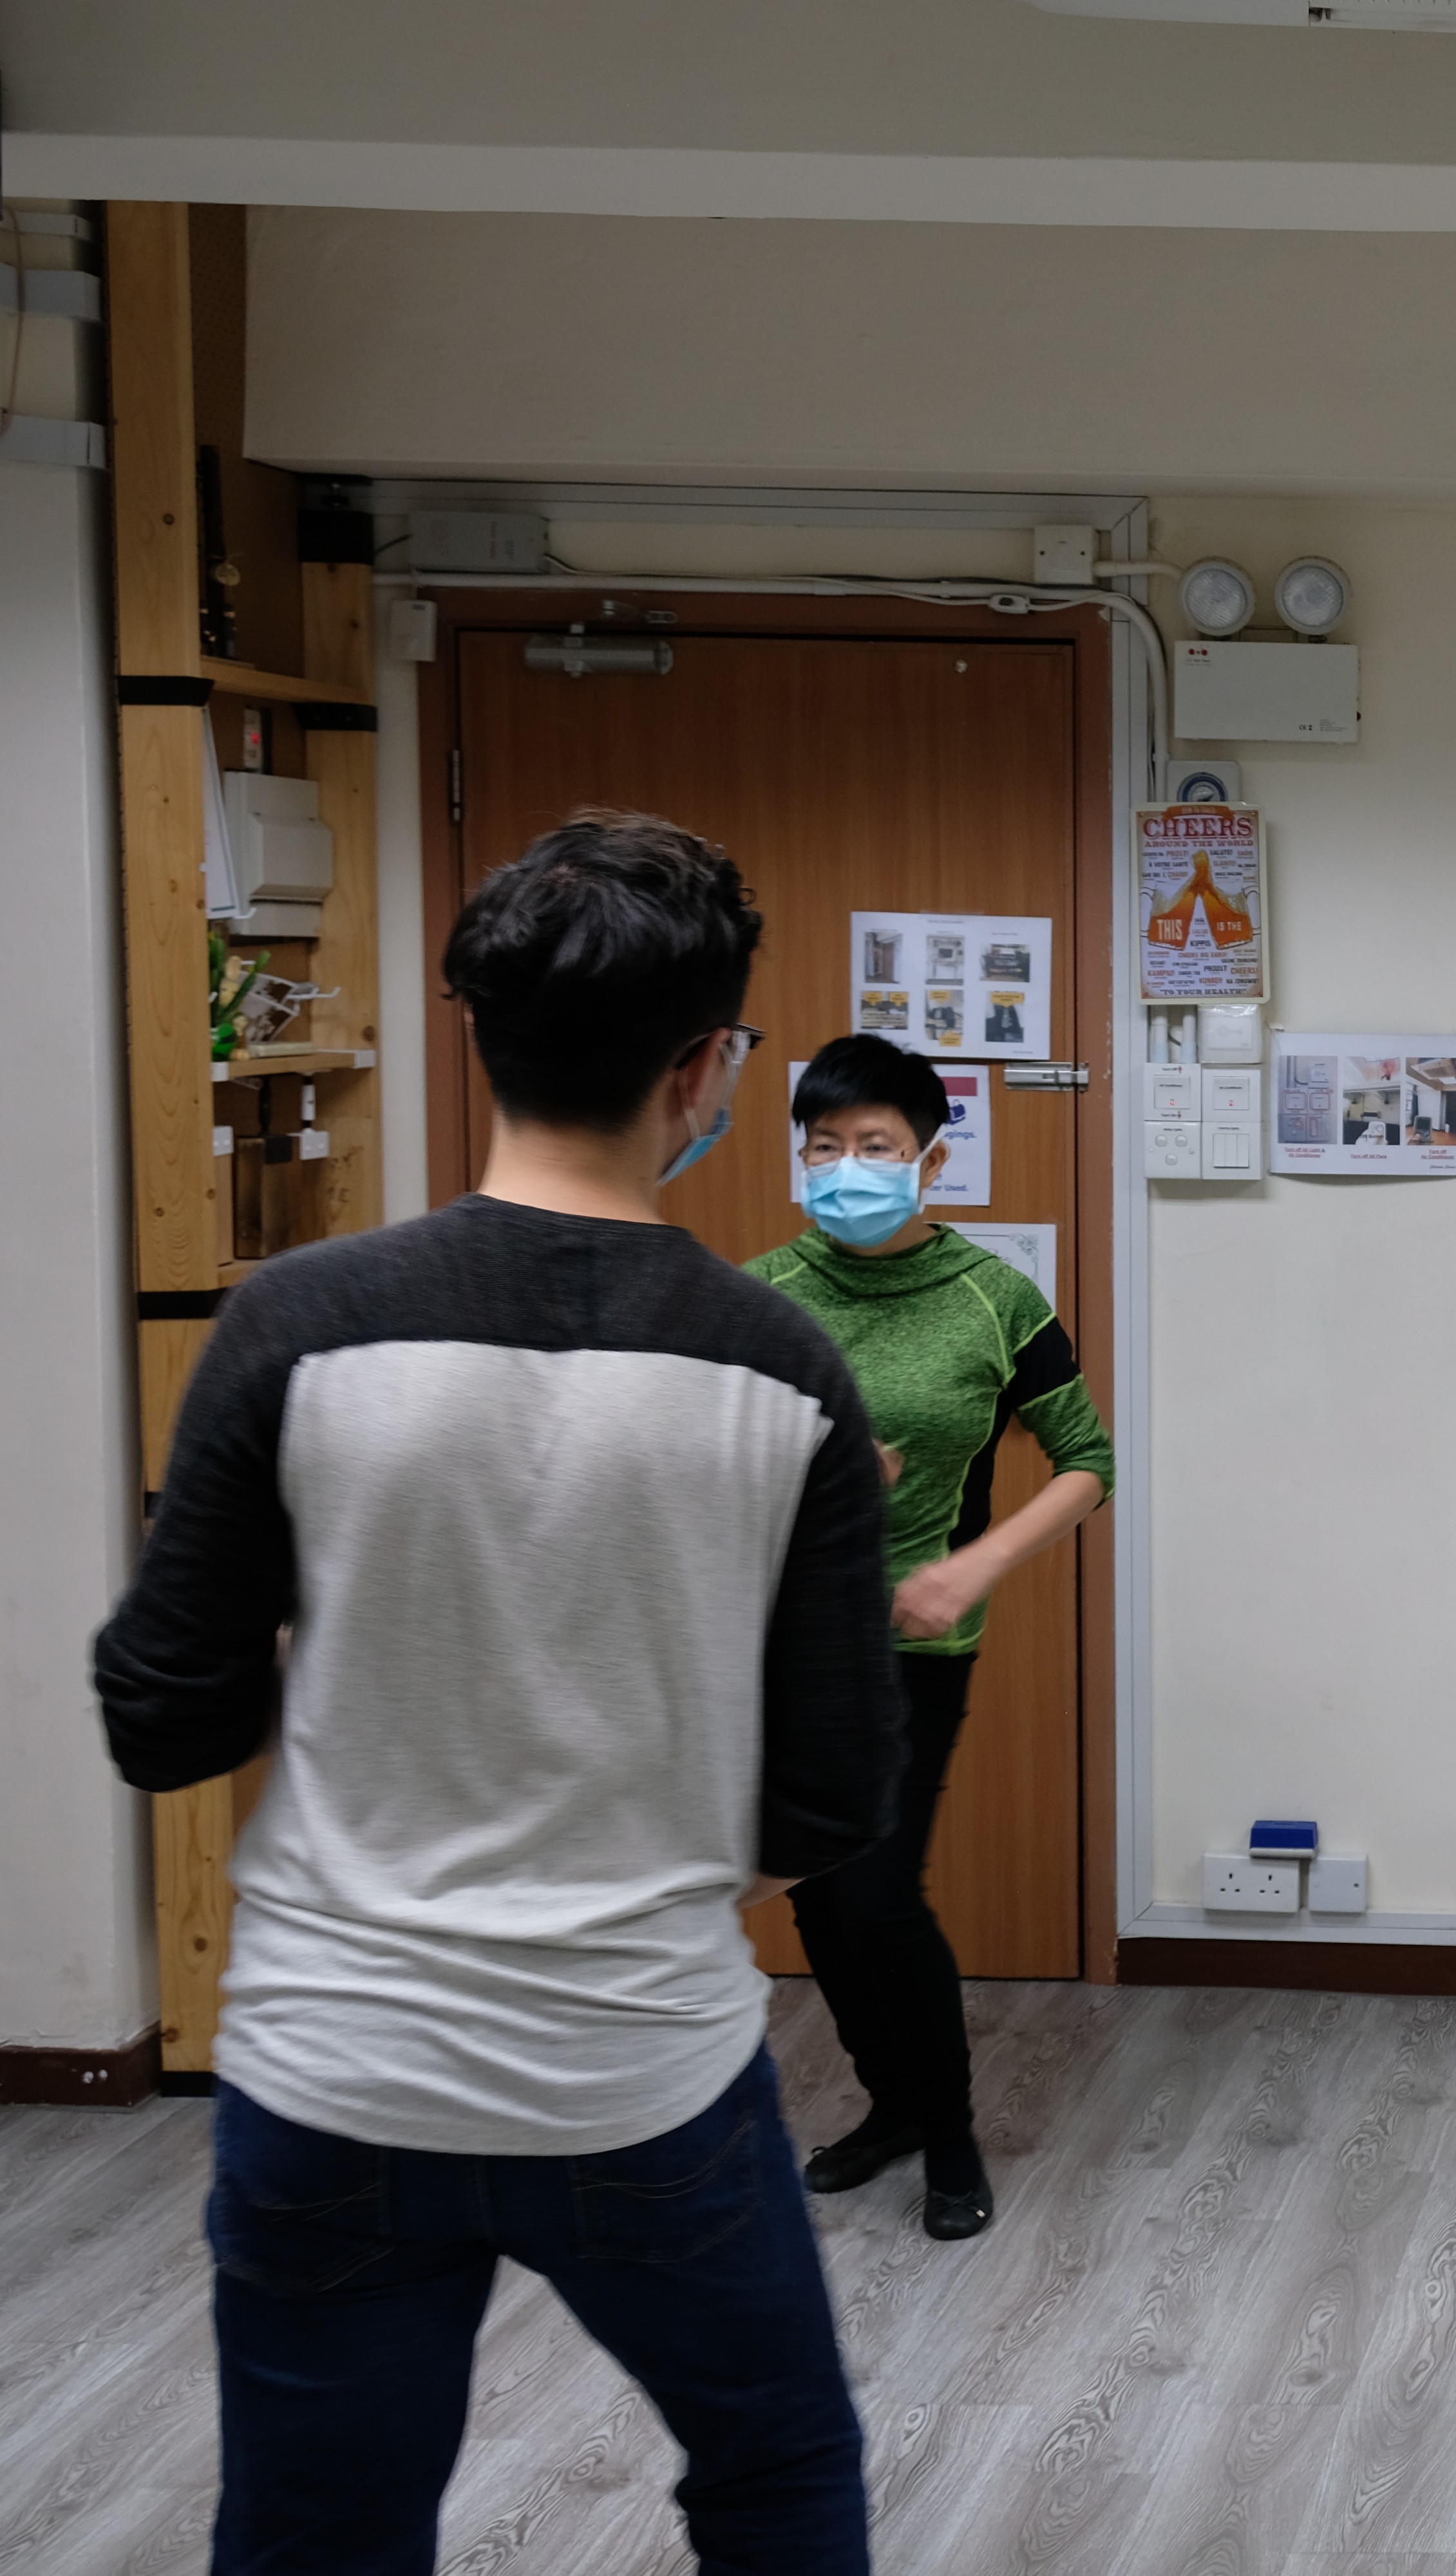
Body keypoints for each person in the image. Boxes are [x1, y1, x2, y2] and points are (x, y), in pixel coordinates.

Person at [93, 811, 903, 2575]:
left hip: (335, 2070)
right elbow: (839, 1794)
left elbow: (161, 1717)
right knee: (777, 2479)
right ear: (704, 1069)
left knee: (318, 2534)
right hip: (639, 2072)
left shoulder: (294, 1327)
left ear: (480, 1034)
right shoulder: (784, 1372)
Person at [748, 1034, 1115, 2242]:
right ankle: (892, 2103)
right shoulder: (758, 1297)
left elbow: (1087, 1465)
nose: (849, 1168)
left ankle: (947, 2124)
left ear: (931, 1159)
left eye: (877, 1148)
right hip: (778, 1643)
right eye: (826, 1148)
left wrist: (975, 1564)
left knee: (880, 1893)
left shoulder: (993, 1298)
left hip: (916, 1645)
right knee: (816, 1893)